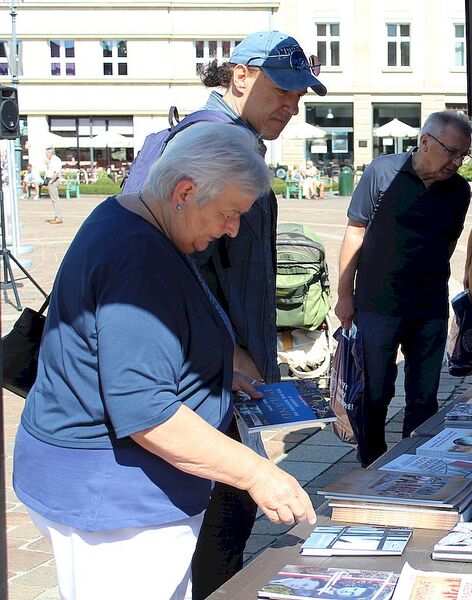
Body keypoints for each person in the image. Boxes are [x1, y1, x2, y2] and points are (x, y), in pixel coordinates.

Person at [12, 123, 317, 600]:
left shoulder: (133, 219)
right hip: (114, 503)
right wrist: (257, 473)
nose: (233, 229)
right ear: (185, 192)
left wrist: (216, 377)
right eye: (229, 212)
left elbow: (129, 354)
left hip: (109, 489)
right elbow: (148, 413)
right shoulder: (140, 259)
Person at [191, 30, 327, 597]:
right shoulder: (204, 143)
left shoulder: (239, 143)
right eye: (283, 91)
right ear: (241, 75)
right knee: (216, 528)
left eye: (300, 96)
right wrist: (233, 346)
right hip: (206, 378)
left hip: (236, 372)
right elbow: (171, 270)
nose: (292, 107)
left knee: (231, 525)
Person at [335, 110, 472, 466]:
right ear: (425, 141)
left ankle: (415, 463)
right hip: (377, 303)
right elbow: (355, 231)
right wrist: (344, 295)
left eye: (463, 155)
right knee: (375, 391)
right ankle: (372, 463)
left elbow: (449, 241)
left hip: (428, 306)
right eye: (451, 152)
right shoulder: (383, 172)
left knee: (424, 396)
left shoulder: (457, 190)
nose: (456, 162)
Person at [44, 148, 63, 224]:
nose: (46, 155)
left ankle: (58, 217)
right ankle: (57, 216)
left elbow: (56, 172)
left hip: (53, 180)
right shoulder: (52, 160)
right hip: (52, 180)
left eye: (47, 153)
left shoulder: (55, 160)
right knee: (54, 199)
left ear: (50, 153)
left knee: (55, 199)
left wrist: (51, 181)